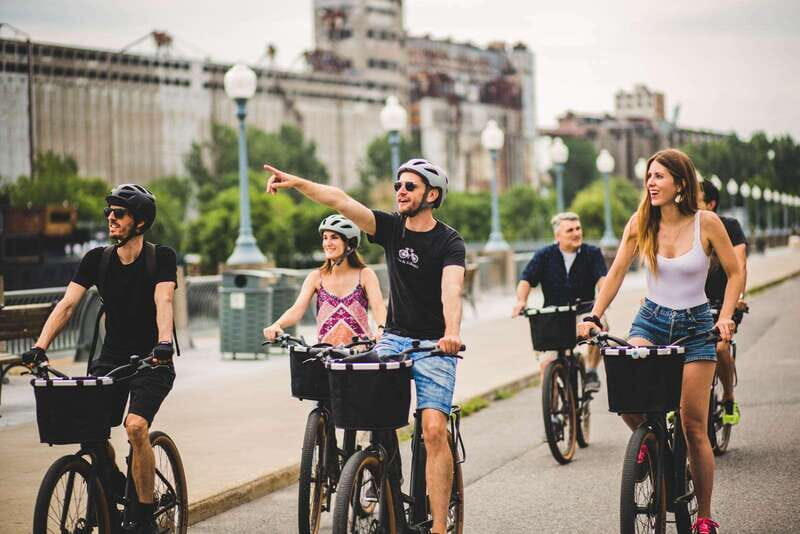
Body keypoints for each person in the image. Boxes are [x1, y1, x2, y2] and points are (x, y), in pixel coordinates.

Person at [264, 158, 465, 534]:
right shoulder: (390, 228)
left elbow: (451, 289)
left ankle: (439, 527)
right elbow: (340, 200)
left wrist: (451, 333)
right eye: (398, 185)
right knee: (370, 413)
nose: (400, 191)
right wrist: (297, 182)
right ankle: (384, 479)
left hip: (435, 344)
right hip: (394, 340)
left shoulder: (449, 241)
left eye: (410, 186)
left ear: (432, 195)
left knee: (433, 429)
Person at [577, 149, 743, 534]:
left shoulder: (707, 223)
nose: (650, 183)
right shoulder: (641, 222)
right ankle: (652, 447)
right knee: (627, 391)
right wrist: (594, 315)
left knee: (693, 424)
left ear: (680, 183)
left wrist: (725, 317)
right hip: (651, 320)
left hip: (696, 325)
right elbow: (616, 272)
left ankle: (704, 515)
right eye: (649, 176)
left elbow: (735, 273)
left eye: (659, 177)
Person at [22, 184, 177, 534]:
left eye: (119, 213)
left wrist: (164, 343)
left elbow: (164, 300)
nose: (111, 218)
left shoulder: (161, 257)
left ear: (140, 222)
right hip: (111, 361)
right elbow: (67, 305)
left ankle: (145, 517)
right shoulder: (97, 259)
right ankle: (115, 491)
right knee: (89, 432)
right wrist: (40, 347)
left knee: (135, 427)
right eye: (109, 212)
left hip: (153, 361)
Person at [513, 212, 608, 392]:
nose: (576, 233)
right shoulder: (544, 255)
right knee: (546, 364)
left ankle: (591, 371)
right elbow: (526, 280)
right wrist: (521, 301)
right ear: (557, 236)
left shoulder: (592, 253)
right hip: (554, 315)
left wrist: (604, 299)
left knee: (600, 326)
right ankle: (553, 403)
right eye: (570, 230)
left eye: (578, 228)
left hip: (584, 310)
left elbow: (603, 280)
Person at [262, 214, 387, 345]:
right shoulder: (316, 277)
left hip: (360, 352)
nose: (328, 243)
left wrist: (381, 328)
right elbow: (297, 310)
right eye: (325, 238)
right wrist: (277, 325)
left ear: (349, 243)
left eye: (334, 237)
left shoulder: (365, 274)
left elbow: (378, 307)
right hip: (325, 353)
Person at [698, 180, 748, 426]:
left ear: (711, 204)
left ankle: (728, 397)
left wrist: (738, 298)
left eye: (696, 199)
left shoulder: (730, 226)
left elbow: (739, 265)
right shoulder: (686, 225)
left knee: (719, 348)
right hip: (695, 302)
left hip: (723, 300)